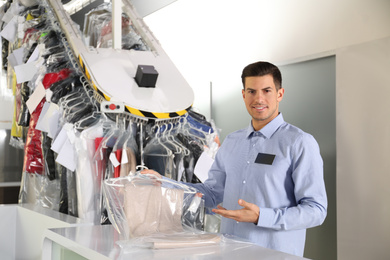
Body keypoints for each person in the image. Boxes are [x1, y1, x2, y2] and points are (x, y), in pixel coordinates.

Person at [142, 61, 327, 257]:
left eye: (266, 91)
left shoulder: (300, 143)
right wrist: (165, 185)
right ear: (243, 94)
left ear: (280, 94)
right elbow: (212, 194)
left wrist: (261, 217)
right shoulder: (232, 142)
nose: (258, 99)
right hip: (230, 254)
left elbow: (315, 210)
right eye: (252, 91)